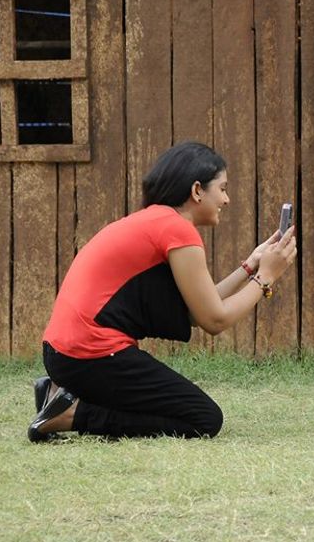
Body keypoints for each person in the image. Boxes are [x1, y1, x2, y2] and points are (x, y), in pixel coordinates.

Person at [28, 141, 297, 442]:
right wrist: (266, 277)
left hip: (65, 354)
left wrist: (250, 266)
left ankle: (55, 393)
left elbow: (196, 311)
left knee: (191, 412)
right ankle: (71, 414)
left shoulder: (156, 221)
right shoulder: (177, 230)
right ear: (197, 190)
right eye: (222, 189)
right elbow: (214, 320)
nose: (227, 199)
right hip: (91, 355)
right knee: (203, 418)